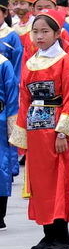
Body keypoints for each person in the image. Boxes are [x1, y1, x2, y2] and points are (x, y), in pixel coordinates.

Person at [10, 9, 69, 249]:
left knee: (58, 182)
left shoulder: (64, 61)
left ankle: (61, 237)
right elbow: (23, 99)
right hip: (35, 132)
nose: (39, 36)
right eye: (35, 32)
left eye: (45, 32)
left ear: (57, 34)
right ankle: (47, 233)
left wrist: (63, 132)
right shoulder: (30, 62)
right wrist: (21, 134)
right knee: (39, 184)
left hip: (54, 133)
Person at [0, 19, 17, 230]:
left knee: (1, 166)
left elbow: (12, 96)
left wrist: (13, 126)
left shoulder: (4, 63)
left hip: (0, 122)